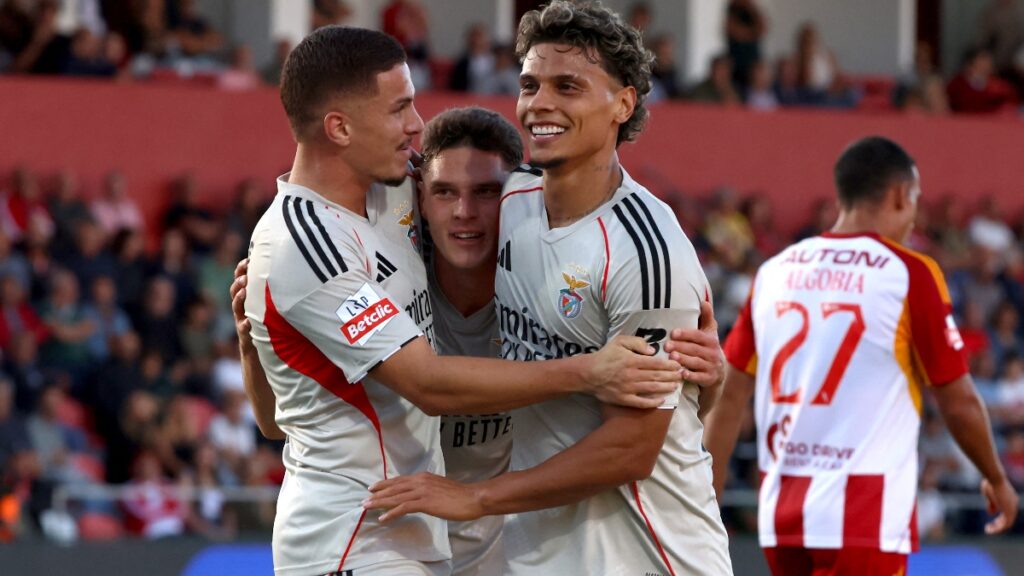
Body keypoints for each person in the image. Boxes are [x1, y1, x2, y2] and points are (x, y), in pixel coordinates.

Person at [241, 25, 686, 576]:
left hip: (431, 540)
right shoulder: (303, 247)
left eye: (485, 195)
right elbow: (425, 384)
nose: (416, 125)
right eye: (400, 107)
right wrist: (592, 371)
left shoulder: (392, 193)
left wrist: (681, 343)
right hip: (354, 536)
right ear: (339, 127)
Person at [364, 3, 732, 575]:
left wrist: (476, 498)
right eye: (530, 84)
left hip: (647, 555)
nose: (540, 104)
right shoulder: (509, 201)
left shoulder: (645, 252)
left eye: (569, 86)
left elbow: (632, 448)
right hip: (540, 553)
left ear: (624, 104)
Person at [704, 136, 1018, 575]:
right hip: (863, 517)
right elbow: (958, 400)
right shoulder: (909, 274)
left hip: (782, 514)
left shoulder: (774, 271)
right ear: (898, 195)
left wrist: (705, 503)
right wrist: (997, 477)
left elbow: (729, 392)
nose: (913, 218)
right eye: (914, 201)